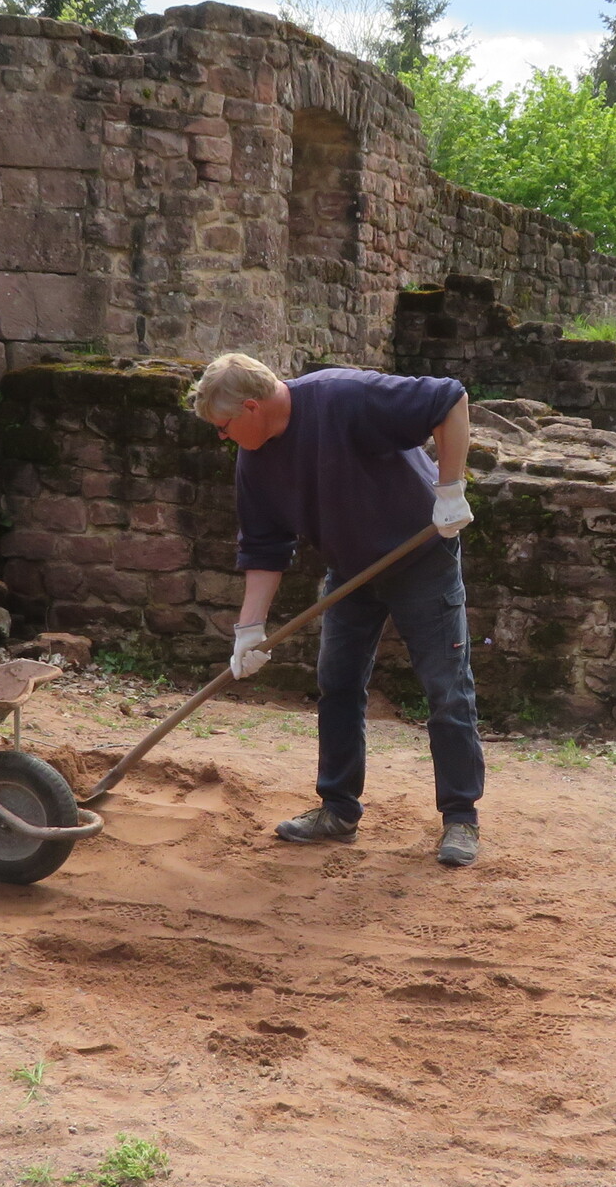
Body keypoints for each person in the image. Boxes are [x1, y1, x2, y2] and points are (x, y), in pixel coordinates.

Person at [193, 352, 484, 866]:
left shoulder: (342, 396)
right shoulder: (254, 460)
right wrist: (249, 629)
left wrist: (450, 488)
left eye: (223, 426)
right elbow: (264, 546)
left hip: (421, 557)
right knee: (338, 684)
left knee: (446, 687)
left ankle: (460, 818)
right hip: (350, 571)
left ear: (251, 407)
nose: (222, 437)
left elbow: (449, 398)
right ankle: (338, 809)